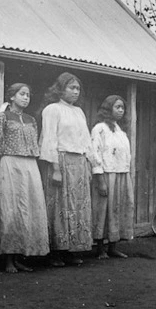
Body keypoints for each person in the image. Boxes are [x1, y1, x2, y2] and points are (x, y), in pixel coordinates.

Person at [0, 83, 50, 273]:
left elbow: (35, 143)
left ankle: (21, 254)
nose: (26, 98)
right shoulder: (3, 117)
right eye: (22, 94)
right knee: (10, 210)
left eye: (28, 95)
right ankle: (7, 259)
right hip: (9, 165)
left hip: (29, 166)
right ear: (12, 97)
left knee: (27, 210)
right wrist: (2, 160)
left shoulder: (31, 120)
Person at [39, 72, 95, 267]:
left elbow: (86, 140)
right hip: (61, 161)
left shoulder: (79, 112)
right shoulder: (52, 109)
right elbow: (50, 139)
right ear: (60, 89)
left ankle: (73, 249)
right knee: (60, 205)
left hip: (79, 163)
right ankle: (56, 250)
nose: (75, 92)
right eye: (71, 88)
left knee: (78, 206)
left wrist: (88, 164)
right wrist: (55, 168)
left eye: (78, 88)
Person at [90, 95, 134, 259]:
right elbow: (94, 153)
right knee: (103, 210)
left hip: (122, 174)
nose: (121, 110)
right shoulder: (100, 129)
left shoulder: (121, 131)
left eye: (122, 108)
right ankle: (100, 248)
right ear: (109, 109)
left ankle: (113, 246)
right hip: (106, 175)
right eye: (117, 107)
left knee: (118, 209)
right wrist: (100, 179)